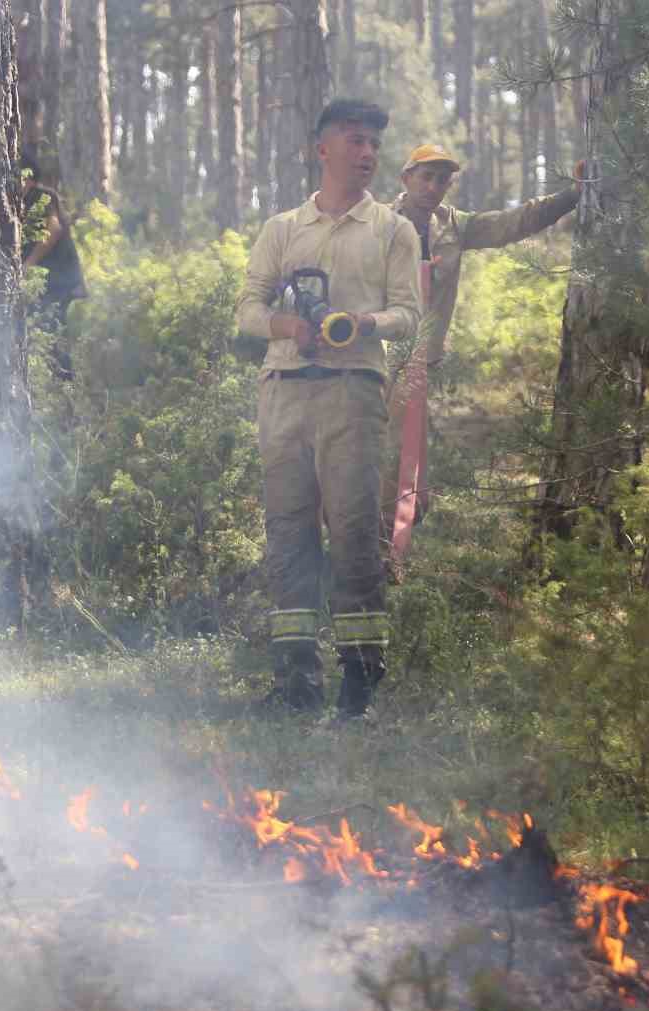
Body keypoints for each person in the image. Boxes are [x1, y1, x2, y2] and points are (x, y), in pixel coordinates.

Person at [234, 99, 423, 717]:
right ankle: (296, 682)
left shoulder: (393, 229)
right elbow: (247, 311)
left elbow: (408, 315)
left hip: (352, 391)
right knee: (288, 531)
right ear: (323, 150)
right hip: (284, 390)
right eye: (354, 141)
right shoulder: (283, 229)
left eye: (373, 143)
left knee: (351, 531)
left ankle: (361, 681)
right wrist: (289, 324)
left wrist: (363, 321)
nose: (367, 154)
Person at [384, 146, 582, 534]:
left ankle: (396, 533)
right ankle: (378, 535)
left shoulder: (454, 225)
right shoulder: (379, 223)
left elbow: (512, 222)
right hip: (376, 353)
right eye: (426, 176)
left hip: (421, 357)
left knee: (407, 449)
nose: (434, 186)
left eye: (443, 179)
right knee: (380, 446)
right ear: (406, 178)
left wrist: (573, 194)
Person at [20, 148, 89, 381]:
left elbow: (54, 229)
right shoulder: (18, 203)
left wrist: (28, 264)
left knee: (51, 330)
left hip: (58, 280)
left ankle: (64, 389)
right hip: (46, 282)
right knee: (42, 330)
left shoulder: (43, 196)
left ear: (27, 176)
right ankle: (52, 388)